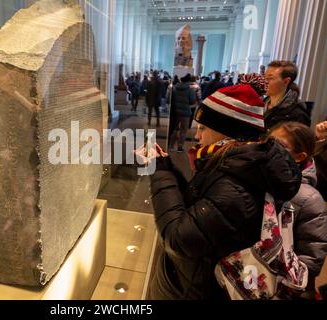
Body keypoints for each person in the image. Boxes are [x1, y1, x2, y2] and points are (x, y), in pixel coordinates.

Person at [138, 83, 302, 300]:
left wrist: (159, 172)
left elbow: (179, 238)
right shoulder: (236, 164)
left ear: (228, 132)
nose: (197, 136)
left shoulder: (236, 187)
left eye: (203, 128)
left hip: (194, 290)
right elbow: (198, 209)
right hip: (193, 280)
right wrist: (167, 167)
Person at [269, 122, 327, 298]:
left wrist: (285, 288)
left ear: (299, 157)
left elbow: (311, 257)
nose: (269, 149)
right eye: (268, 141)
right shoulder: (263, 180)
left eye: (279, 146)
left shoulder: (309, 198)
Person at [264, 60, 311, 129]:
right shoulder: (260, 104)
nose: (264, 81)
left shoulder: (298, 114)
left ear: (286, 81)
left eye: (270, 78)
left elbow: (299, 139)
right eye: (264, 77)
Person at [167, 74, 197, 152]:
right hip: (185, 113)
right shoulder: (190, 90)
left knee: (175, 129)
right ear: (188, 81)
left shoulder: (174, 88)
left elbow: (170, 99)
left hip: (175, 112)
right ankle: (180, 147)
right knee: (183, 131)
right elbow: (193, 101)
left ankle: (171, 146)